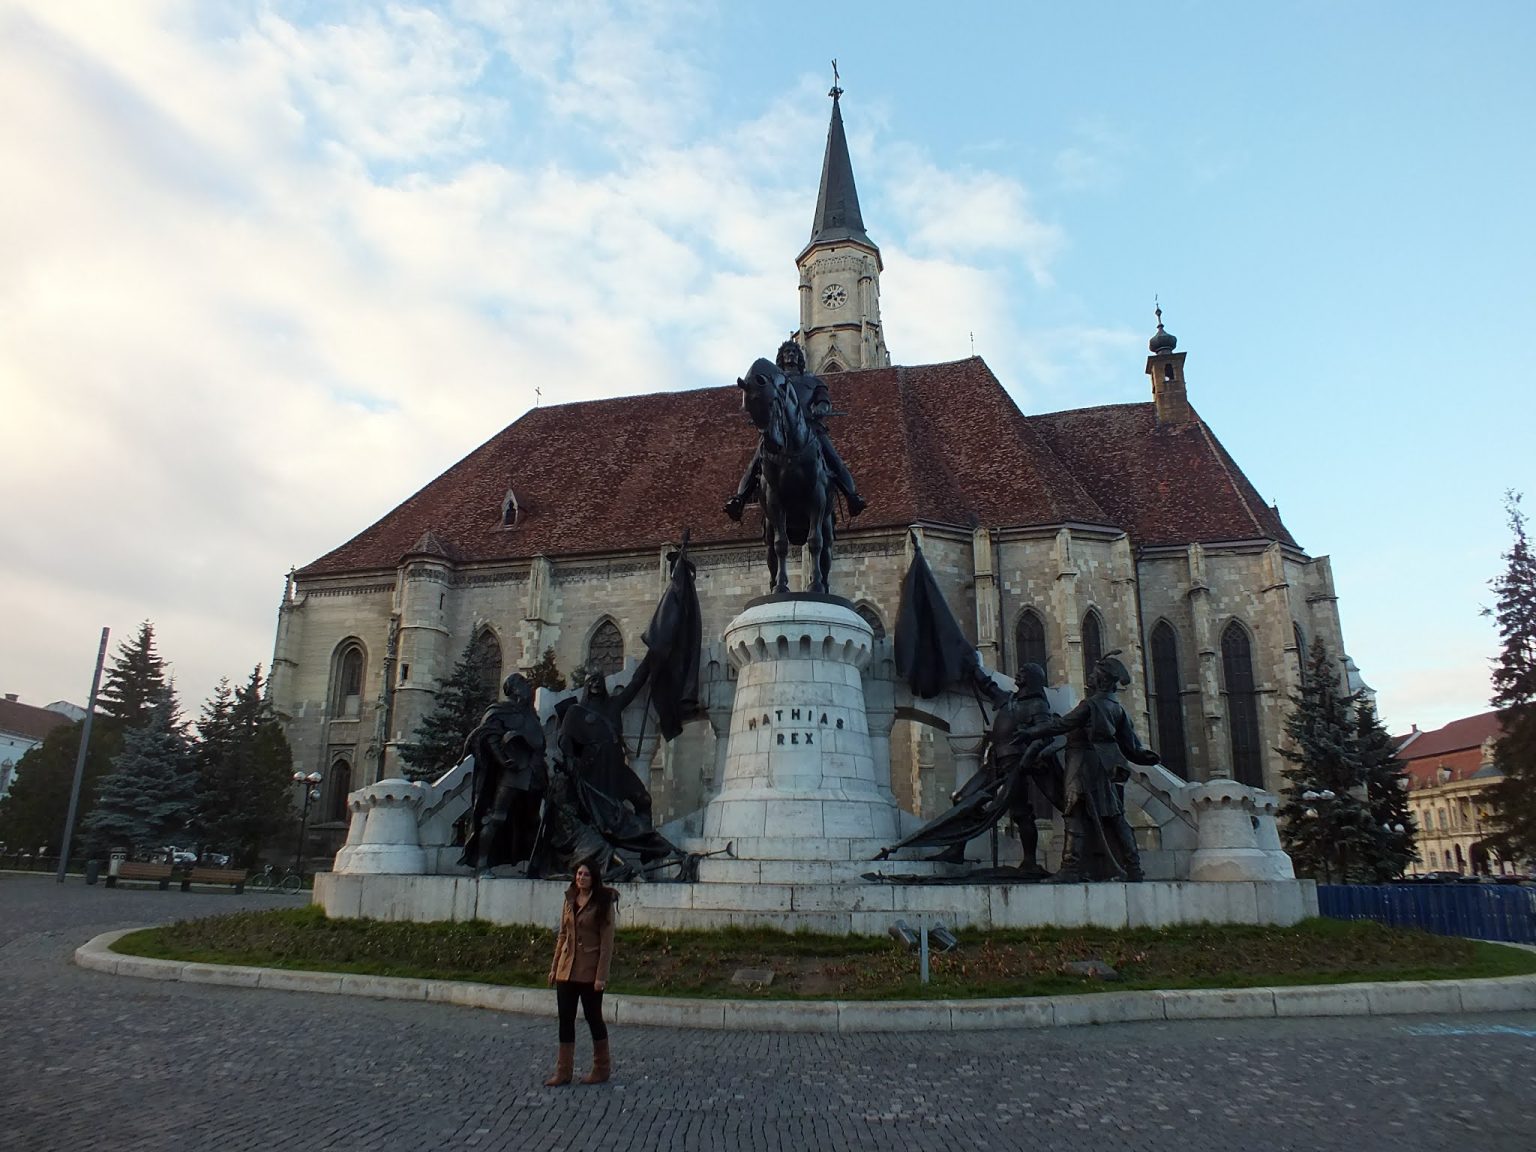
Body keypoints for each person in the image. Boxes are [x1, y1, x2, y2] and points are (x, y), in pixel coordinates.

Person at [1024, 652, 1160, 882]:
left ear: (1103, 680)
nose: (1090, 677)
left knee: (1074, 812)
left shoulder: (1090, 705)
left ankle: (1070, 867)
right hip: (1106, 765)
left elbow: (1061, 725)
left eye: (1094, 675)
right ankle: (1134, 867)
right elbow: (1132, 747)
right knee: (1115, 816)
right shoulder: (1118, 708)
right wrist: (1148, 757)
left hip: (1082, 764)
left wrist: (1029, 731)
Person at [725, 339, 866, 521]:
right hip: (779, 429)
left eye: (794, 352)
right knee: (756, 462)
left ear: (800, 357)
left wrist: (821, 408)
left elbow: (824, 400)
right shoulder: (775, 382)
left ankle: (852, 496)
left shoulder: (813, 381)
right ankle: (740, 499)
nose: (790, 355)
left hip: (812, 428)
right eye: (786, 353)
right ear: (781, 358)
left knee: (833, 458)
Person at [457, 673, 545, 875]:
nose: (528, 687)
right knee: (497, 816)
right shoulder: (500, 711)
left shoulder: (531, 714)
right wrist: (503, 759)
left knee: (534, 819)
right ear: (513, 688)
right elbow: (490, 737)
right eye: (523, 683)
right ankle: (482, 864)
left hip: (535, 772)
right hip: (512, 773)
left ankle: (535, 865)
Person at [544, 859, 617, 1086]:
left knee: (593, 1017)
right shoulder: (569, 900)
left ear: (593, 877)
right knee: (565, 1020)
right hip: (567, 969)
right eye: (578, 874)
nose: (581, 878)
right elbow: (563, 936)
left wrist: (601, 977)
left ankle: (601, 1068)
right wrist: (554, 967)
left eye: (585, 874)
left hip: (589, 970)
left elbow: (607, 943)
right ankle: (563, 1071)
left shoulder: (603, 902)